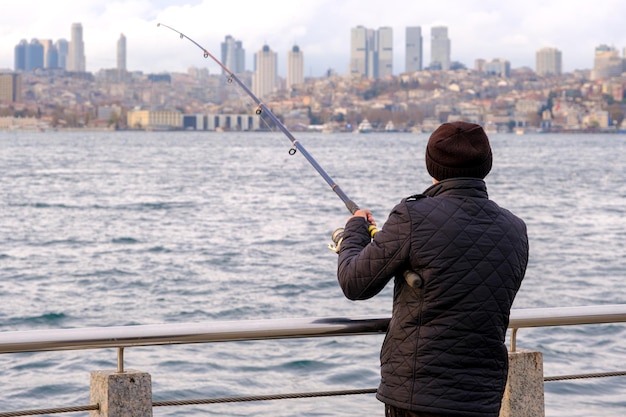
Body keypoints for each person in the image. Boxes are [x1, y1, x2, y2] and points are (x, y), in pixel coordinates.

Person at [336, 121, 529, 417]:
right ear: (486, 165)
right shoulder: (515, 228)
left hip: (417, 395)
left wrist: (354, 230)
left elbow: (354, 282)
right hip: (482, 397)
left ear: (432, 166)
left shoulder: (412, 216)